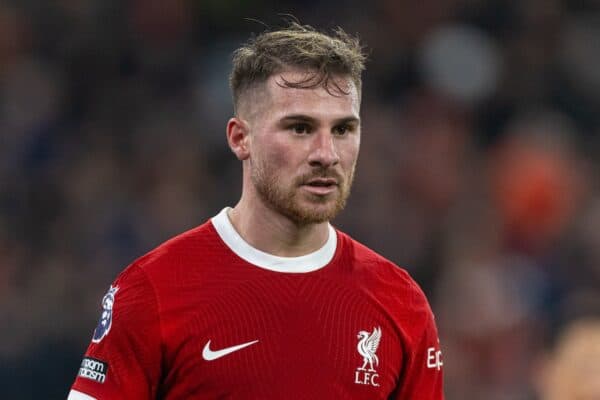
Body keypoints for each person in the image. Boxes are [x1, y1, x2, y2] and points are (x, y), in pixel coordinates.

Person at [68, 22, 444, 399]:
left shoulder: (400, 302)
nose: (326, 154)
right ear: (239, 138)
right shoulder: (153, 290)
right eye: (299, 128)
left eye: (343, 130)